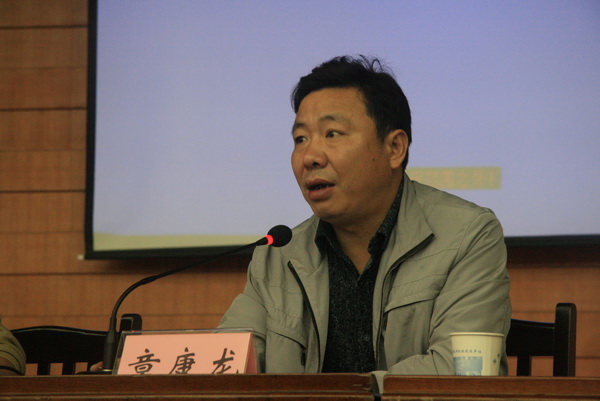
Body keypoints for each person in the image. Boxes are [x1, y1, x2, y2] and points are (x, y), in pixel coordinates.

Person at [219, 55, 511, 388]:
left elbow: (461, 371)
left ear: (394, 148)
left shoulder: (467, 235)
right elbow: (224, 367)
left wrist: (328, 395)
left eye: (332, 133)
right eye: (301, 139)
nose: (310, 157)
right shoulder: (277, 256)